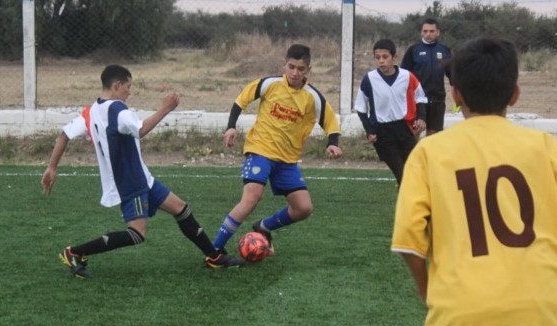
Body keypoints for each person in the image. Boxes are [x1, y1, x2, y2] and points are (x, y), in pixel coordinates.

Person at [391, 37, 557, 326]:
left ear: (455, 94)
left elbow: (408, 245)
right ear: (515, 94)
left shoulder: (429, 153)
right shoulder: (548, 147)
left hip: (460, 310)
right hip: (545, 309)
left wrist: (433, 297)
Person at [41, 64, 243, 278]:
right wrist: (166, 108)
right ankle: (74, 252)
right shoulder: (118, 109)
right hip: (130, 181)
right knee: (136, 234)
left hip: (141, 176)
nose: (130, 91)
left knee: (181, 209)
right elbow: (141, 130)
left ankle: (213, 257)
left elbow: (64, 135)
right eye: (128, 86)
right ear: (117, 85)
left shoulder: (90, 111)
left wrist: (51, 167)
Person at [212, 44, 343, 254]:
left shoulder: (312, 97)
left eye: (301, 69)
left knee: (303, 208)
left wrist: (333, 143)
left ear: (308, 70)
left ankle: (264, 227)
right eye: (291, 67)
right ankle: (215, 249)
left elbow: (330, 122)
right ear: (284, 65)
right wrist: (231, 127)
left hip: (287, 160)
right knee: (252, 197)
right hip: (260, 150)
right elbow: (240, 101)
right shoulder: (269, 84)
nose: (295, 72)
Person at [354, 38, 427, 185]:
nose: (381, 61)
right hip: (383, 133)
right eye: (377, 57)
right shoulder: (369, 79)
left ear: (394, 57)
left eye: (385, 57)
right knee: (402, 175)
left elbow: (421, 97)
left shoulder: (407, 76)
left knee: (414, 172)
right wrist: (369, 130)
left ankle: (409, 206)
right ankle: (406, 207)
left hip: (404, 130)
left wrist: (421, 117)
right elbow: (361, 108)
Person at [400, 18, 452, 137]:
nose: (428, 34)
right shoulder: (413, 50)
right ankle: (412, 155)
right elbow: (403, 76)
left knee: (434, 136)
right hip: (417, 100)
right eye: (425, 31)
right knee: (414, 133)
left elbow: (452, 74)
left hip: (437, 100)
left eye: (432, 31)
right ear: (421, 32)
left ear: (438, 32)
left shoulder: (445, 50)